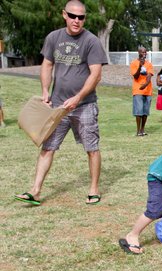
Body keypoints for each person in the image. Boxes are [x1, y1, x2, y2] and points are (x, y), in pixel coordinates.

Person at [14, 0, 107, 206]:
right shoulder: (54, 37)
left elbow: (96, 75)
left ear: (84, 18)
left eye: (81, 17)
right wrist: (46, 91)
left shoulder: (91, 41)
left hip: (84, 106)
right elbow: (47, 64)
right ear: (64, 14)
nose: (76, 20)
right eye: (72, 16)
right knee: (48, 147)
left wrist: (78, 97)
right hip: (58, 106)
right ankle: (35, 191)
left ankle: (93, 188)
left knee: (91, 147)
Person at [130, 47, 154, 136]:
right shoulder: (133, 63)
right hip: (138, 90)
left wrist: (146, 84)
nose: (144, 53)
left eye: (145, 52)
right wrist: (140, 66)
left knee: (145, 112)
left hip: (147, 90)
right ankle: (138, 131)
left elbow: (149, 76)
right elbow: (135, 76)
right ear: (138, 52)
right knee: (138, 111)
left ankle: (142, 130)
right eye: (142, 52)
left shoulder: (149, 64)